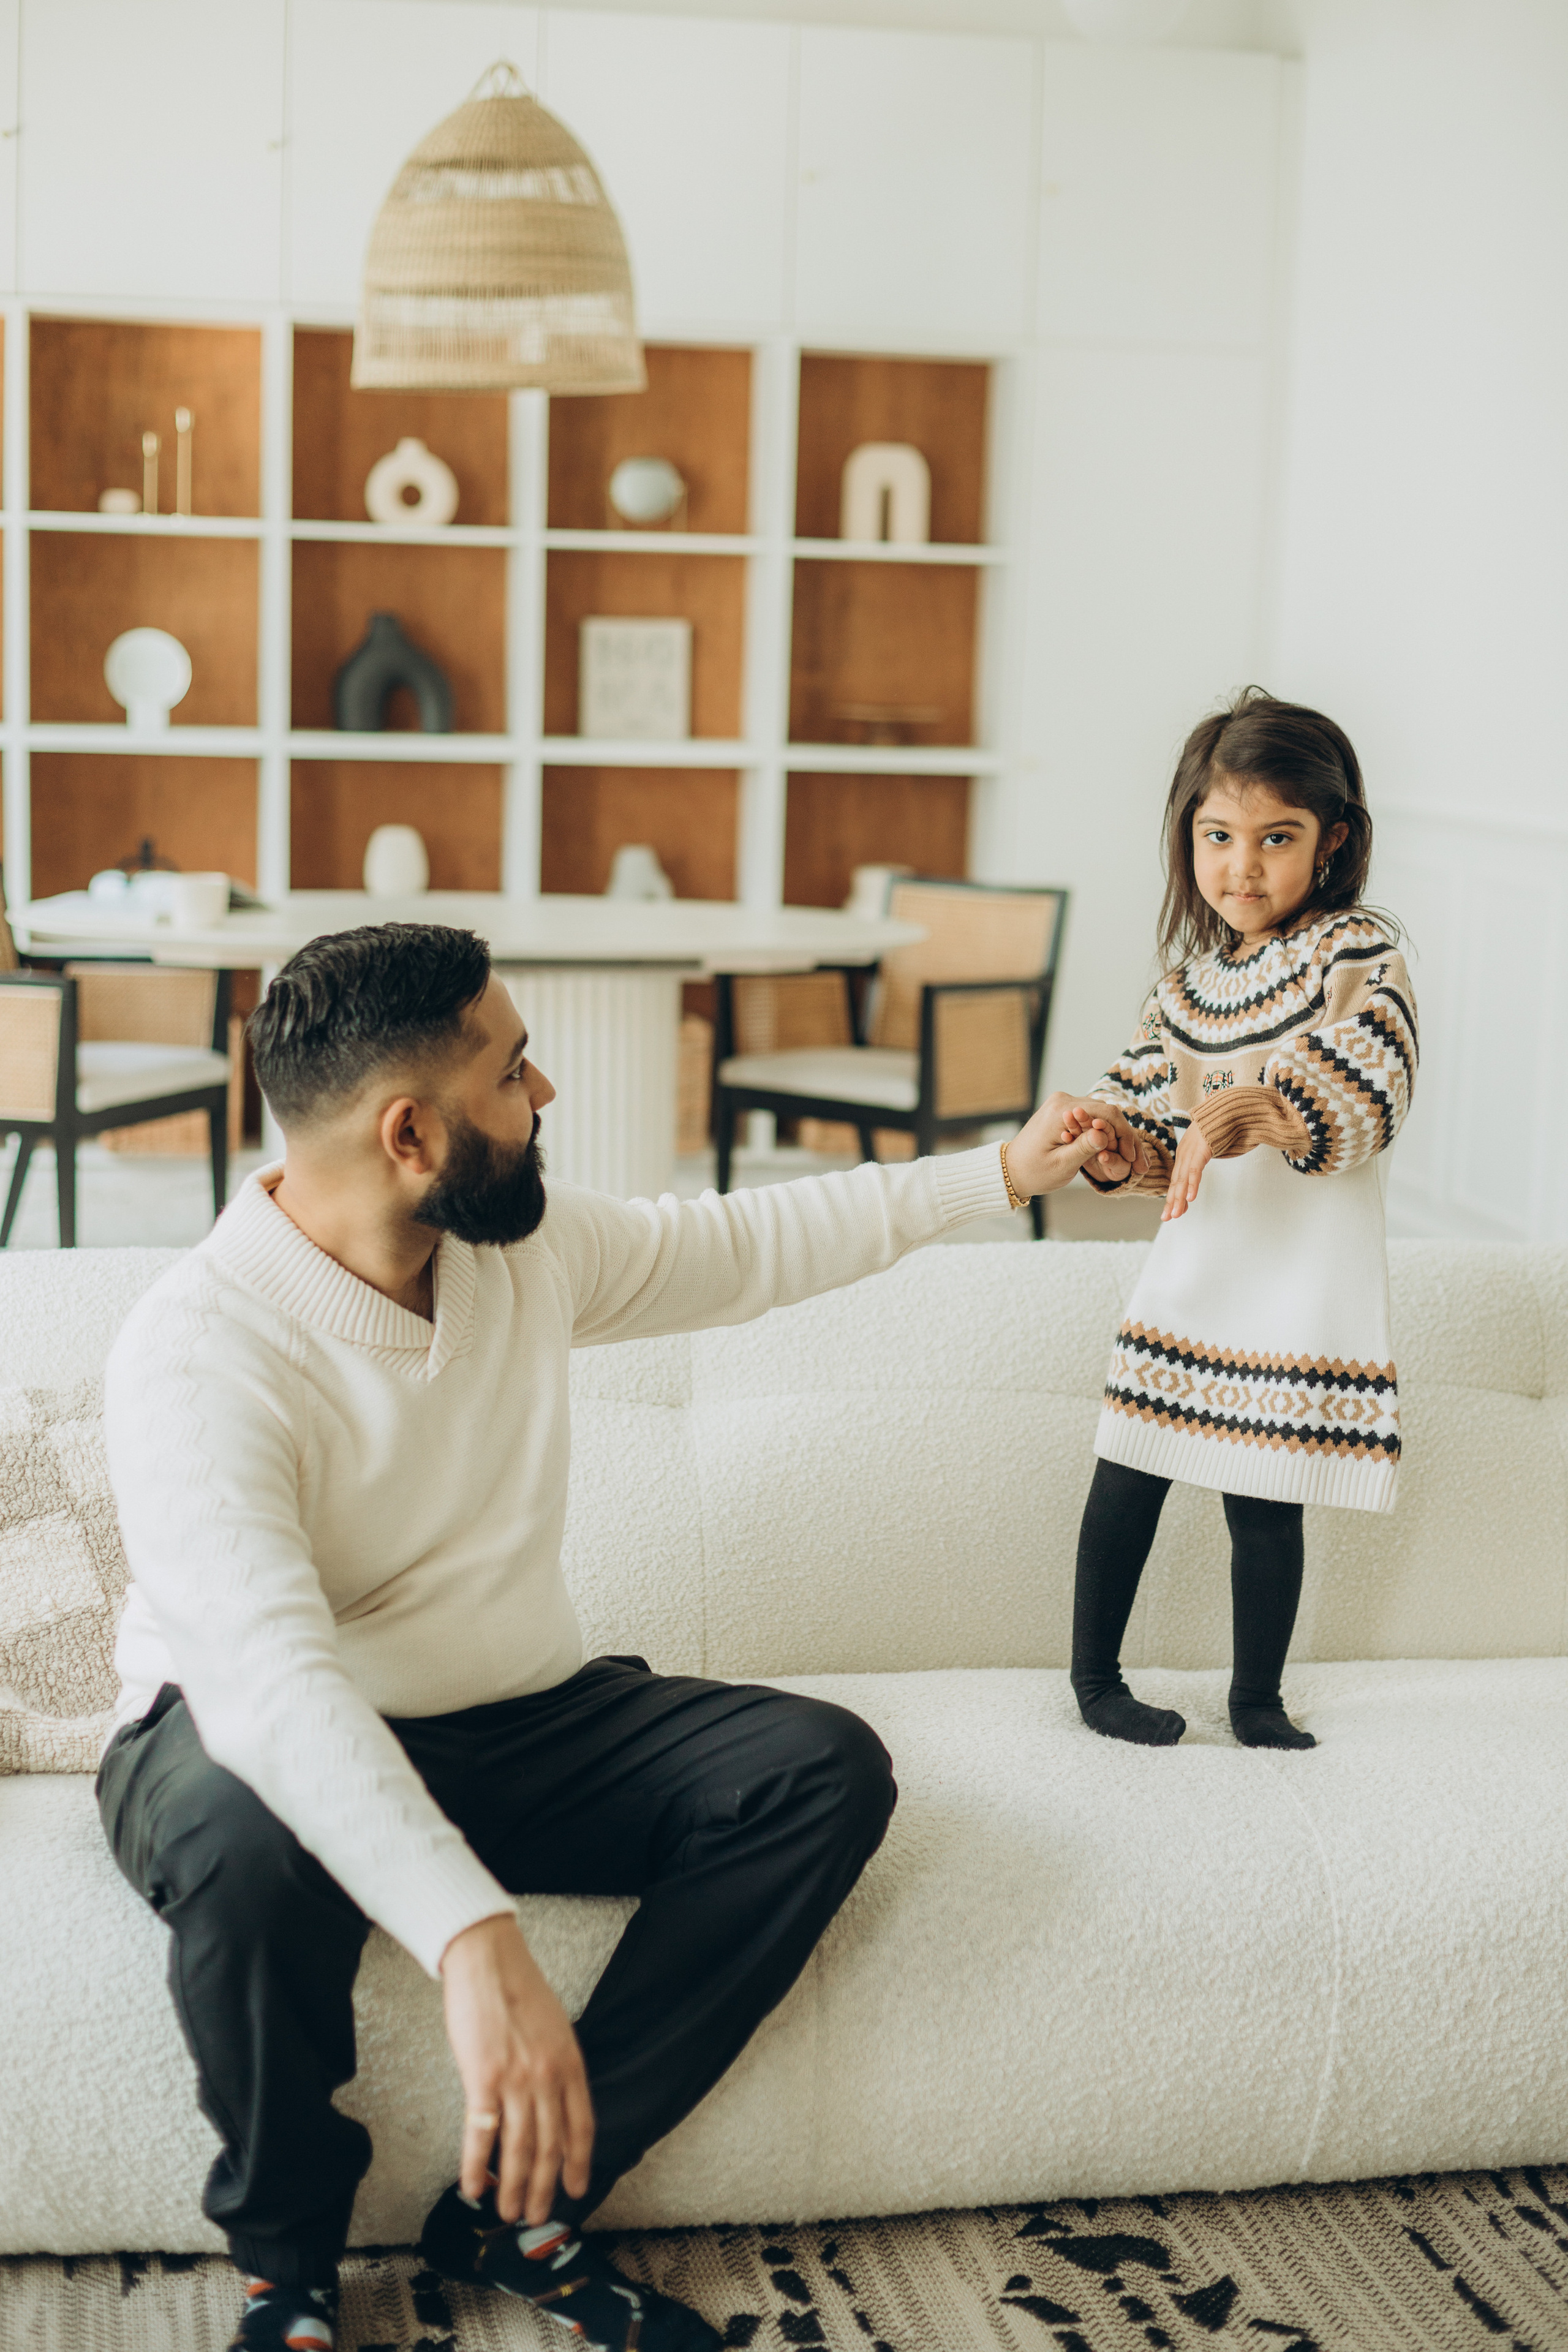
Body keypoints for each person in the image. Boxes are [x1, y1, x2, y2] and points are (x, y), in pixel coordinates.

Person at [95, 920, 1123, 2352]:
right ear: (410, 1134)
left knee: (814, 1767)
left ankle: (518, 2213)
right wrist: (472, 1937)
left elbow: (745, 1244)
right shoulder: (197, 1351)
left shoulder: (518, 1249)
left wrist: (997, 1172)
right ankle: (290, 2275)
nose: (545, 1094)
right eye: (513, 1071)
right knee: (244, 1830)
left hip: (512, 1718)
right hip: (233, 1735)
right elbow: (268, 1688)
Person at [1053, 689, 1417, 1752]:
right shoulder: (1186, 990)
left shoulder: (1355, 954)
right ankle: (1094, 1679)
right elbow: (1144, 1104)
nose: (1242, 867)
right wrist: (1112, 1139)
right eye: (1218, 836)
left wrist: (1262, 1106)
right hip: (1200, 1263)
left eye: (1276, 838)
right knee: (1130, 1460)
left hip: (1300, 1276)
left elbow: (1376, 1080)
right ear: (1188, 837)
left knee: (1267, 1492)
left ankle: (1257, 1699)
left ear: (1333, 839)